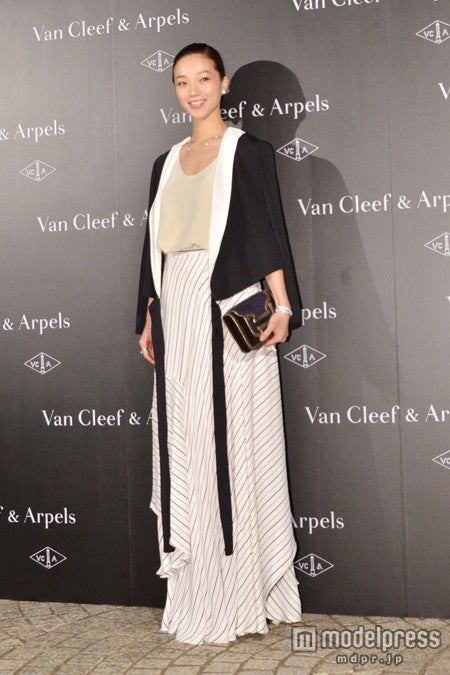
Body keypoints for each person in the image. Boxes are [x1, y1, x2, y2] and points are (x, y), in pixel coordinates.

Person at [136, 43, 303, 645]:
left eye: (204, 78)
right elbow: (152, 247)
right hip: (176, 308)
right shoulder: (164, 162)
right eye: (182, 81)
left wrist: (282, 305)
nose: (194, 91)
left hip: (231, 306)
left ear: (224, 83)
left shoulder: (248, 151)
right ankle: (198, 585)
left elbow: (267, 233)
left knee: (233, 442)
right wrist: (148, 313)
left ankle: (241, 589)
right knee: (186, 442)